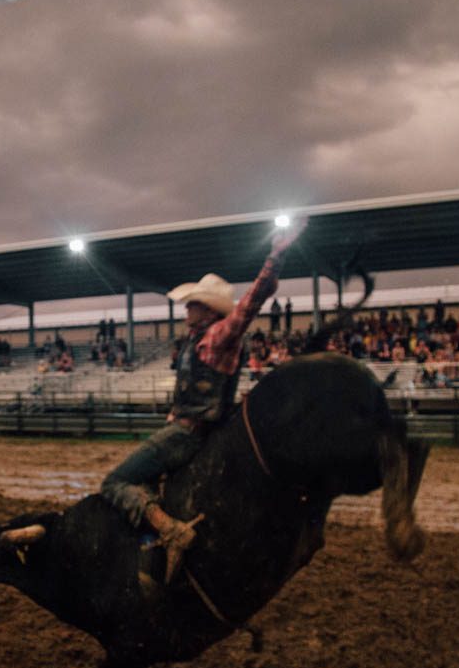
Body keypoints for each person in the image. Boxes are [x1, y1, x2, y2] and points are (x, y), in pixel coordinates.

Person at [100, 216, 307, 586]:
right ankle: (156, 544)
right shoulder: (198, 342)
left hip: (187, 434)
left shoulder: (218, 336)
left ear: (209, 311)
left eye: (193, 303)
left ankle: (169, 531)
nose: (186, 309)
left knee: (116, 481)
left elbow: (250, 304)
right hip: (192, 428)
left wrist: (275, 258)